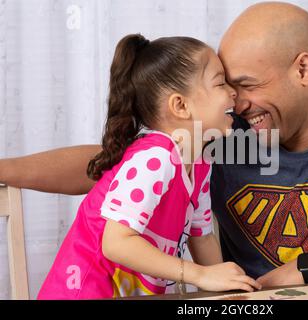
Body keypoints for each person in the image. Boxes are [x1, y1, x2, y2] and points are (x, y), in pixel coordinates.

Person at [2, 2, 308, 290]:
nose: (237, 101)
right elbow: (110, 170)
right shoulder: (220, 137)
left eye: (248, 85)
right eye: (226, 87)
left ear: (304, 69)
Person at [33, 34, 261, 299]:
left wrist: (229, 291)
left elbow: (203, 237)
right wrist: (200, 275)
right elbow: (115, 243)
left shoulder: (200, 162)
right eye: (220, 83)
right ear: (181, 105)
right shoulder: (157, 158)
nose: (234, 92)